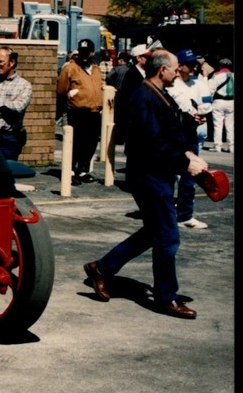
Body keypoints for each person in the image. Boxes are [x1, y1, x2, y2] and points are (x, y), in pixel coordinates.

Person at [83, 49, 208, 319]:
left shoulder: (156, 94)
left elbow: (167, 128)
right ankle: (166, 297)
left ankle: (102, 268)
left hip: (157, 174)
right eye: (175, 68)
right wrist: (185, 161)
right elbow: (153, 142)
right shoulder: (143, 96)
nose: (178, 71)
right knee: (168, 237)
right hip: (149, 176)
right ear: (162, 70)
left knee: (153, 232)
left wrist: (187, 144)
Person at [167, 48, 212, 230]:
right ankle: (167, 212)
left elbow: (207, 103)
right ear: (181, 66)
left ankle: (185, 214)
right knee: (169, 173)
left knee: (190, 175)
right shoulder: (173, 85)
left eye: (195, 63)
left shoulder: (199, 83)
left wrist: (202, 114)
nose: (194, 67)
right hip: (176, 133)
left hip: (192, 131)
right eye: (190, 64)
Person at [56, 38, 104, 183]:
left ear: (92, 53)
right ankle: (70, 171)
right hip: (76, 112)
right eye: (81, 52)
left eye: (87, 52)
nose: (84, 55)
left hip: (94, 112)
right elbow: (61, 89)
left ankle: (83, 170)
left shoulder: (96, 69)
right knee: (76, 143)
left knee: (90, 143)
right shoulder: (70, 68)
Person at [208, 58, 234, 153]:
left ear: (220, 66)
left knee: (217, 124)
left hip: (218, 101)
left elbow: (210, 90)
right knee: (230, 125)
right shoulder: (234, 76)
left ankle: (217, 146)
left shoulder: (216, 76)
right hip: (231, 102)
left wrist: (209, 102)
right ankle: (231, 147)